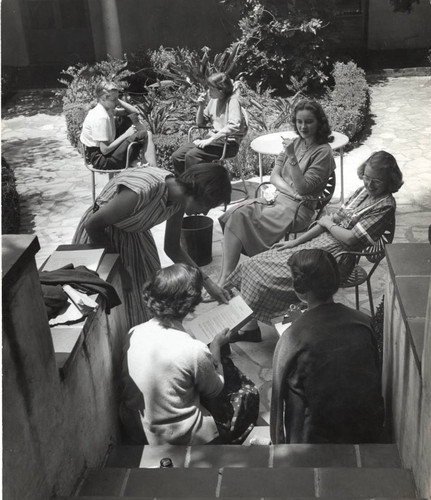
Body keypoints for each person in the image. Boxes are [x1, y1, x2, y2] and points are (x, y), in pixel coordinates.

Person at [226, 150, 403, 337]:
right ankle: (250, 327)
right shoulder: (362, 192)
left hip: (338, 258)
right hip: (320, 244)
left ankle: (284, 328)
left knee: (269, 277)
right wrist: (294, 243)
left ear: (390, 181)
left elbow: (351, 238)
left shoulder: (385, 206)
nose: (369, 184)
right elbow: (325, 223)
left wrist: (328, 223)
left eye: (377, 181)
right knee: (254, 263)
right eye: (366, 177)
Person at [72, 140, 232, 328]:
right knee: (117, 304)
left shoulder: (179, 199)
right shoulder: (142, 191)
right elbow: (94, 225)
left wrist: (208, 284)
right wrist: (120, 269)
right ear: (199, 194)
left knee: (144, 304)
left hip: (134, 236)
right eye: (207, 206)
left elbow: (173, 248)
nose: (205, 213)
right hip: (103, 239)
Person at [122, 264, 256, 445]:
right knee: (247, 392)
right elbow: (216, 390)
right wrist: (216, 345)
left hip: (140, 431)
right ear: (190, 304)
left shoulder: (134, 332)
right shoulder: (193, 349)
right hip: (182, 439)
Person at [270, 249, 385, 444]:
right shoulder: (363, 323)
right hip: (365, 432)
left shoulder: (291, 338)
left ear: (299, 286)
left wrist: (279, 445)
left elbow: (277, 400)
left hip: (314, 441)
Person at [217, 99, 336, 286]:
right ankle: (225, 278)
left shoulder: (323, 153)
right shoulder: (296, 143)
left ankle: (226, 280)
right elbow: (274, 177)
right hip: (280, 198)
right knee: (237, 213)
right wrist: (292, 192)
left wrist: (291, 157)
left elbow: (304, 188)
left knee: (244, 218)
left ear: (319, 122)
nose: (303, 126)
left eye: (309, 121)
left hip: (298, 210)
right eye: (299, 121)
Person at [171, 72, 247, 175]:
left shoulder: (232, 101)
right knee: (177, 156)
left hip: (228, 144)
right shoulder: (213, 100)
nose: (208, 91)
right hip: (213, 141)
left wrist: (211, 139)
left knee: (192, 155)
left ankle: (198, 188)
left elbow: (235, 125)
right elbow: (200, 122)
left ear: (221, 90)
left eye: (211, 88)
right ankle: (183, 186)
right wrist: (201, 106)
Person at [80, 80, 149, 171]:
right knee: (145, 134)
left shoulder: (106, 109)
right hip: (101, 160)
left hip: (102, 153)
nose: (116, 102)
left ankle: (139, 163)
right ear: (103, 98)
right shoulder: (101, 117)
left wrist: (116, 100)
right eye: (113, 100)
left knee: (127, 118)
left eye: (118, 98)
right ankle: (149, 169)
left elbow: (135, 112)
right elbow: (104, 150)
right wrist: (126, 134)